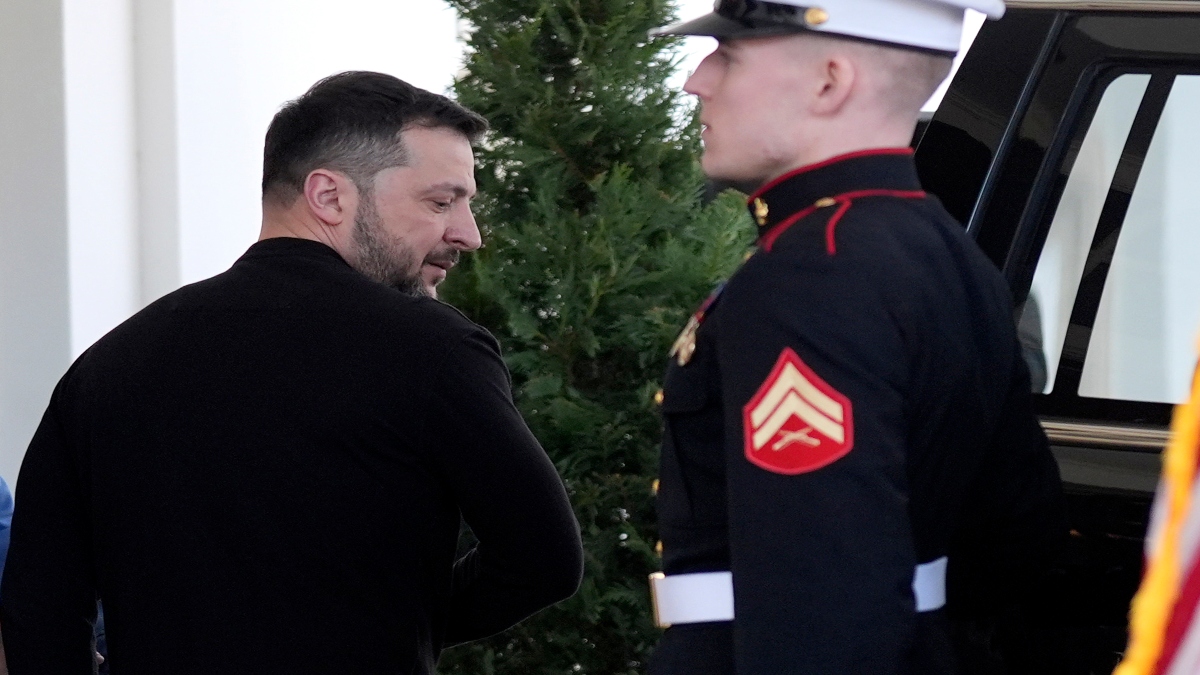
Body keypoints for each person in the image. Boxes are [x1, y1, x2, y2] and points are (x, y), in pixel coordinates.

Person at [0, 71, 583, 675]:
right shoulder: (431, 348)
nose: (469, 234)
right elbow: (543, 557)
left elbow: (41, 605)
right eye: (441, 202)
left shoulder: (105, 367)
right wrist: (390, 625)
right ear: (329, 196)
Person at [646, 2, 1067, 673]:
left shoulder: (808, 276)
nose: (697, 79)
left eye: (729, 53)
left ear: (829, 81)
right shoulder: (952, 258)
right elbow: (1016, 531)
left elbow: (822, 600)